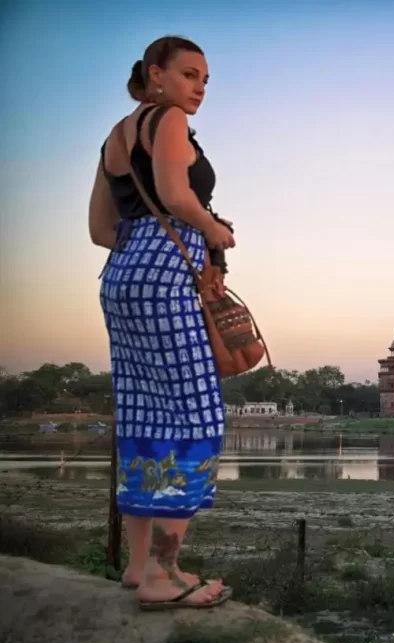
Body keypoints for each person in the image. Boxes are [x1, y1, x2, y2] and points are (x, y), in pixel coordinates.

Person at [88, 35, 237, 610]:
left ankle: (138, 566)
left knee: (144, 415)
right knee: (195, 416)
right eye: (189, 74)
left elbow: (102, 231)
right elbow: (176, 196)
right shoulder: (169, 119)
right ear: (157, 75)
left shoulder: (115, 136)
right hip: (166, 279)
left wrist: (162, 233)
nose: (198, 88)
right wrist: (213, 229)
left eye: (205, 79)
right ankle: (163, 575)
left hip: (122, 277)